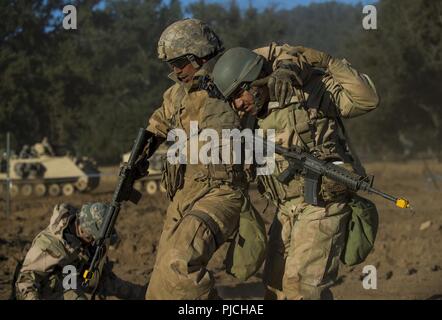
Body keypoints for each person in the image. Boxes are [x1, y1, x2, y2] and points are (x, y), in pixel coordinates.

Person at [210, 44, 380, 299]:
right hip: (284, 210)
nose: (237, 105)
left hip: (322, 205)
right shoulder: (249, 119)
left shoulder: (308, 91)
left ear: (254, 81)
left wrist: (329, 62)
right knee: (275, 288)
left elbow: (367, 100)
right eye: (231, 99)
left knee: (300, 287)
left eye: (238, 94)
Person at [142, 19, 251, 300]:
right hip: (183, 195)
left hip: (220, 191)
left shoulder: (234, 80)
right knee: (159, 286)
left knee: (179, 264)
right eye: (171, 65)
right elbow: (156, 125)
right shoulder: (175, 95)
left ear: (199, 55)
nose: (175, 71)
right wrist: (136, 161)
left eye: (179, 62)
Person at [15, 202, 145, 300]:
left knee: (109, 283)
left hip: (74, 277)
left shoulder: (83, 235)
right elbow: (25, 282)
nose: (94, 243)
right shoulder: (48, 246)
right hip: (50, 289)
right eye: (93, 239)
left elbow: (100, 280)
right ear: (84, 231)